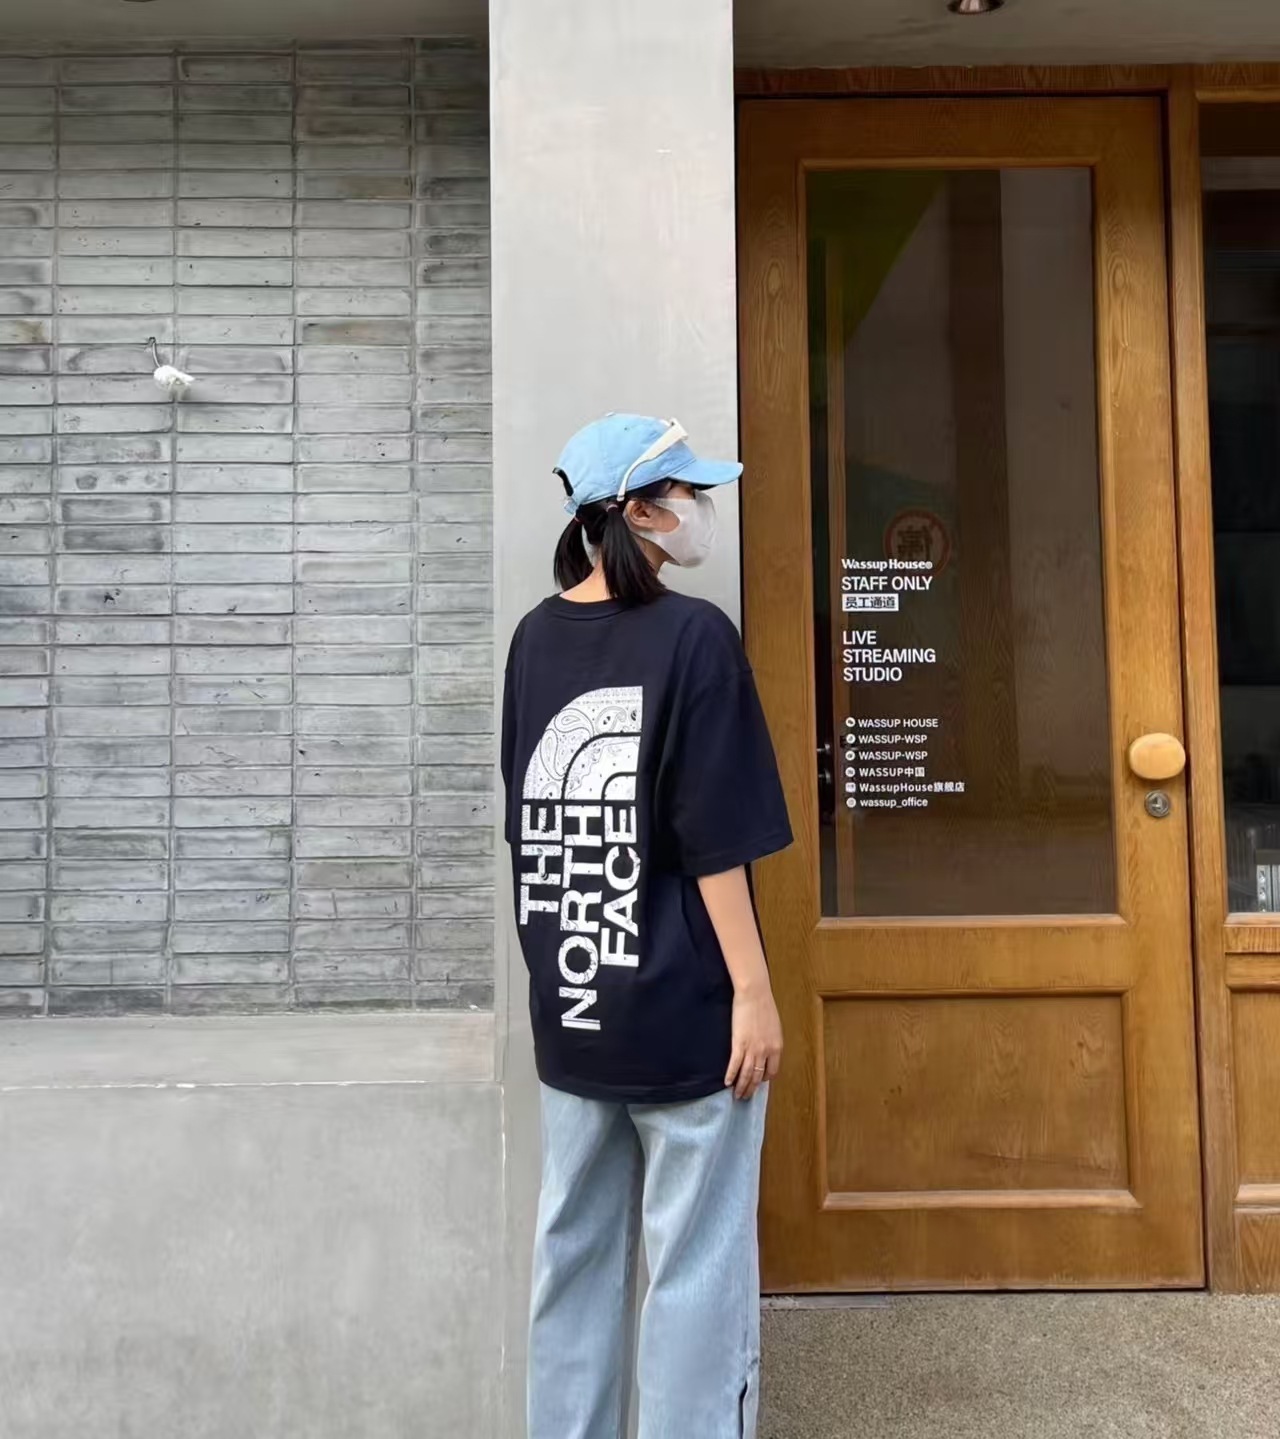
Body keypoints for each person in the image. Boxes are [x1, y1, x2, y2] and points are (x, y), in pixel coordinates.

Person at [501, 413, 793, 1439]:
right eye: (684, 492)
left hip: (575, 1005)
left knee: (571, 1259)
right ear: (633, 510)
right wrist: (752, 992)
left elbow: (531, 824)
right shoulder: (694, 637)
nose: (698, 510)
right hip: (684, 1017)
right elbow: (713, 841)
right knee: (695, 1273)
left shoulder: (534, 637)